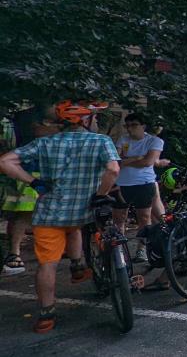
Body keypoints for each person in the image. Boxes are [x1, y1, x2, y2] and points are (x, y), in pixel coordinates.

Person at [0, 101, 120, 333]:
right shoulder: (101, 141)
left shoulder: (45, 142)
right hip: (86, 210)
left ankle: (47, 315)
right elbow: (113, 169)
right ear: (84, 121)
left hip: (50, 213)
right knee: (82, 228)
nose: (95, 122)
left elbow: (5, 161)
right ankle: (79, 267)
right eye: (93, 119)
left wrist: (34, 182)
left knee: (47, 264)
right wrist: (101, 194)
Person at [112, 112, 164, 263]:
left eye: (133, 125)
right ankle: (119, 251)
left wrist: (126, 160)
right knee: (119, 218)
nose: (129, 129)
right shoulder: (123, 140)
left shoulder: (154, 141)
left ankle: (142, 249)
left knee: (144, 218)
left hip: (144, 183)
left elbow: (148, 162)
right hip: (122, 184)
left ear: (143, 126)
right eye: (127, 126)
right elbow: (116, 162)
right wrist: (136, 158)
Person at [1, 113, 37, 276]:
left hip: (25, 169)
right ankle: (14, 252)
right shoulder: (15, 120)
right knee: (22, 212)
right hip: (20, 170)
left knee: (24, 212)